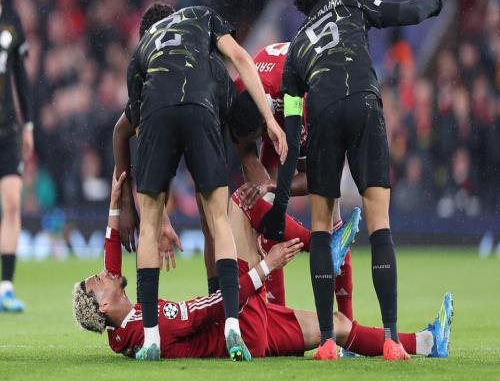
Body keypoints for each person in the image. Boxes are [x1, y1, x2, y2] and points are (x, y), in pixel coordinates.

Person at [258, 0, 443, 360]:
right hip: (363, 103)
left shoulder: (297, 47)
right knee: (380, 224)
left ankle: (327, 341)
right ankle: (391, 340)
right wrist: (434, 2)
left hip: (323, 113)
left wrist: (280, 201)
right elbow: (402, 13)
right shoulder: (349, 3)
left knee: (322, 228)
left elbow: (290, 134)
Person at [72, 171, 454, 360]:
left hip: (249, 329)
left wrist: (115, 204)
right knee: (240, 202)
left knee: (336, 325)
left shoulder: (123, 328)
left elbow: (111, 260)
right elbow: (211, 308)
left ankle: (427, 343)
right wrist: (265, 267)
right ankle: (322, 247)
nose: (106, 273)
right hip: (241, 324)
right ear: (103, 304)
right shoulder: (147, 325)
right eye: (99, 280)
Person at [125, 2, 287, 361]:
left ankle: (150, 338)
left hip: (157, 114)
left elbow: (138, 125)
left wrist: (159, 213)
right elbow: (240, 57)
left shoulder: (141, 50)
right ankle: (231, 324)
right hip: (201, 107)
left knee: (148, 227)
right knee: (218, 220)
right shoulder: (200, 17)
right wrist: (269, 120)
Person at [227, 43, 360, 323]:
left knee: (329, 214)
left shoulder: (300, 95)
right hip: (277, 104)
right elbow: (245, 148)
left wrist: (272, 185)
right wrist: (264, 196)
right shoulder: (239, 92)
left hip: (319, 97)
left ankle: (346, 325)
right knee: (264, 213)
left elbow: (319, 177)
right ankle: (277, 319)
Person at [0, 0, 33, 312]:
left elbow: (21, 77)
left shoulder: (12, 23)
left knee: (11, 202)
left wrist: (28, 125)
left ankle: (6, 287)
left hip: (8, 128)